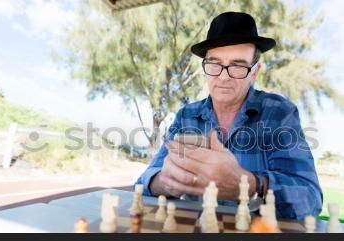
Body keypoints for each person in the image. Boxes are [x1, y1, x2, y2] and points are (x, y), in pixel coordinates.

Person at [135, 11, 322, 220]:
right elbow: (143, 184)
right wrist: (166, 181)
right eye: (214, 63)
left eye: (238, 65)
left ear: (255, 72)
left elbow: (310, 199)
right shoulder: (186, 115)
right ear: (205, 68)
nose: (223, 76)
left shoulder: (278, 113)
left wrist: (247, 185)